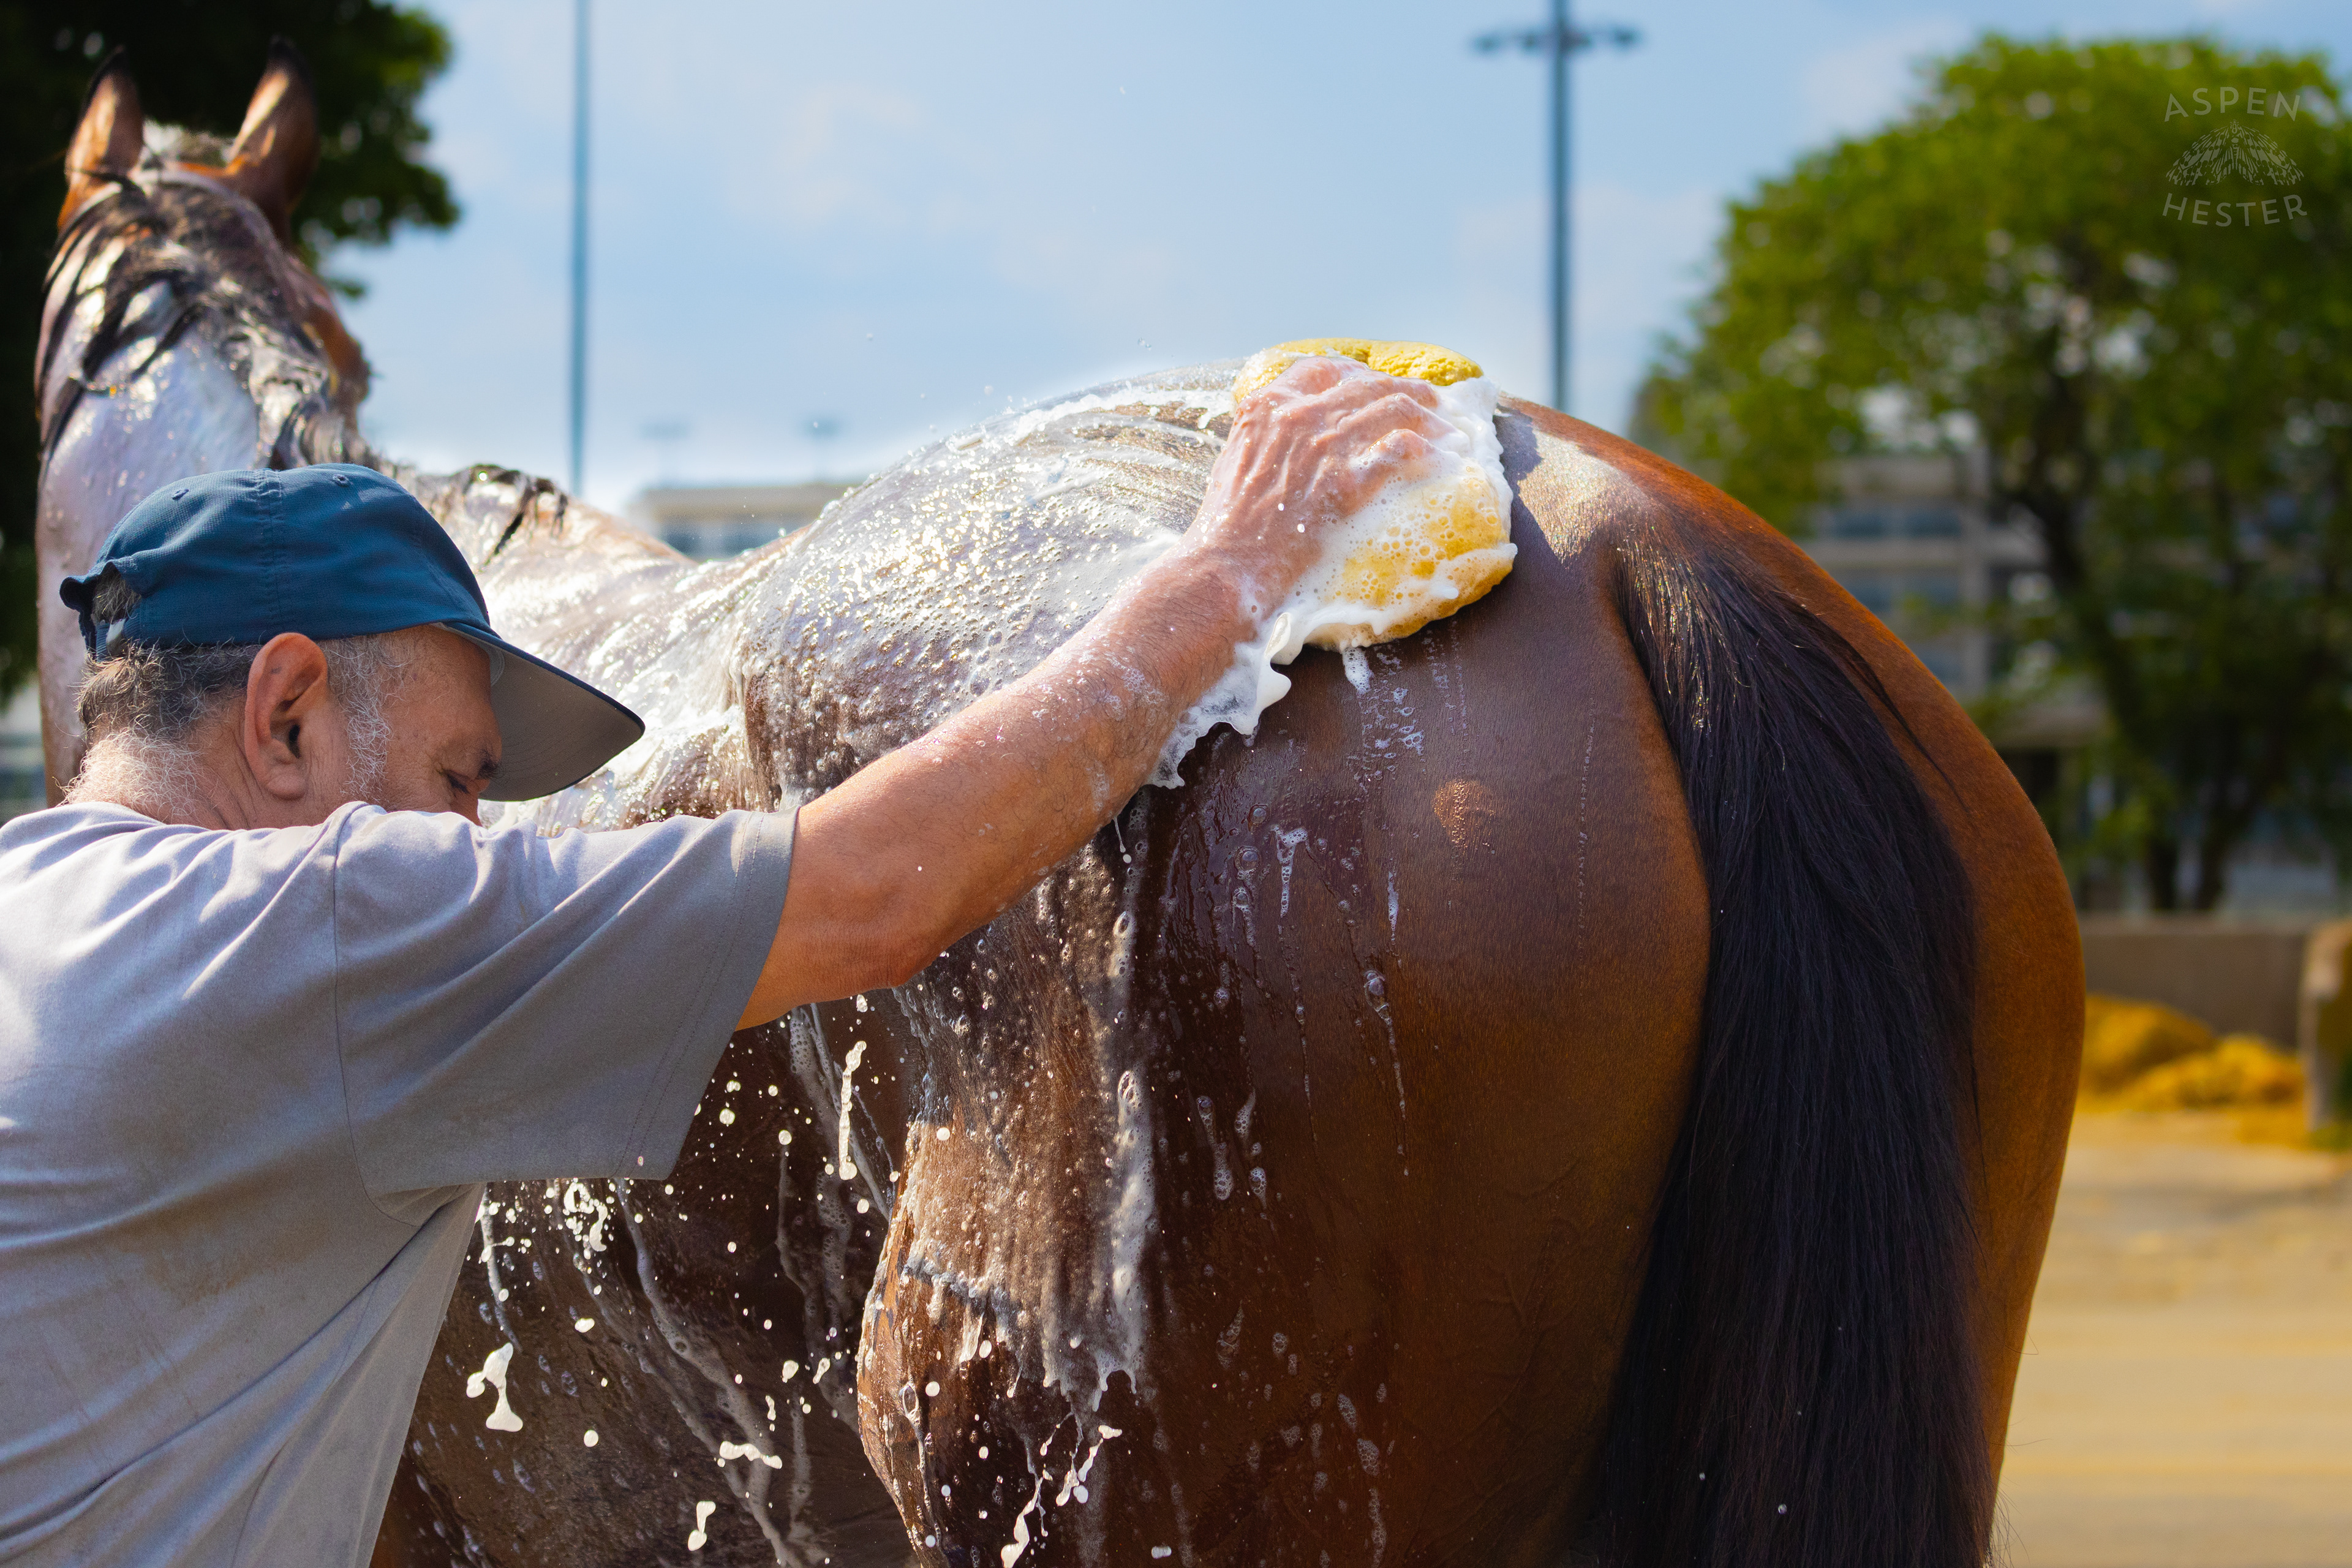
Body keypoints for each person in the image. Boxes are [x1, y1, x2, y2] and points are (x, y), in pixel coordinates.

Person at [0, 357, 1441, 1566]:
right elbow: (874, 889)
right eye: (457, 777)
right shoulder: (316, 931)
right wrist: (1233, 566)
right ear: (287, 714)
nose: (473, 836)